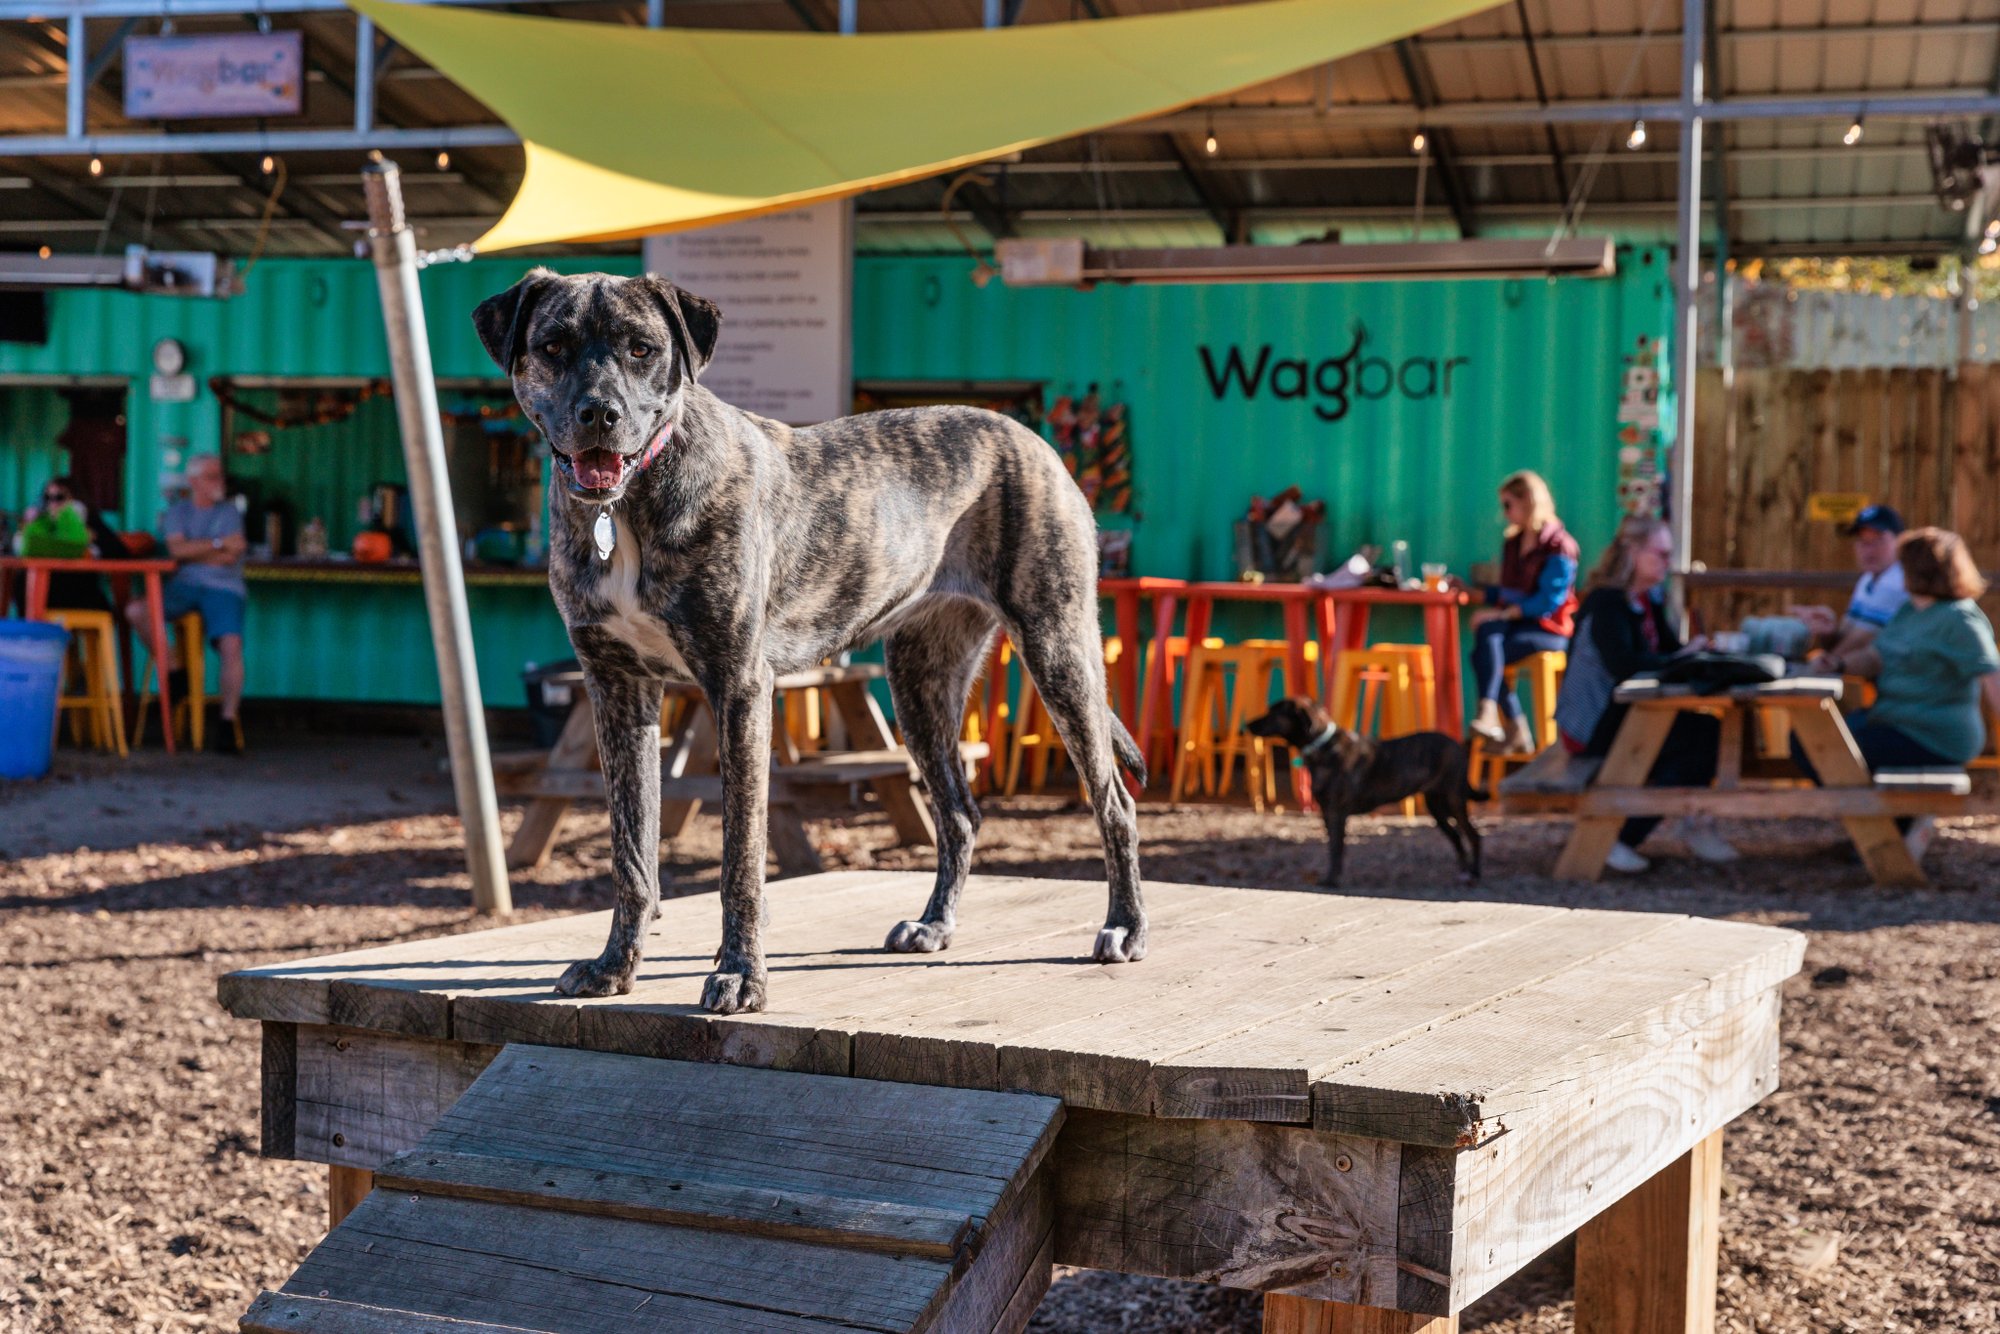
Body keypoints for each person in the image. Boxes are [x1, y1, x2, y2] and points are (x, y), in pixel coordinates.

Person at [1552, 516, 1738, 873]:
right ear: (1633, 552)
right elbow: (1626, 665)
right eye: (1661, 554)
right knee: (1699, 738)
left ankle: (1684, 819)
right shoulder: (1607, 602)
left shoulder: (1645, 599)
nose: (1667, 563)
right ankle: (1619, 835)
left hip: (1624, 713)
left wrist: (1692, 653)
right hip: (1593, 724)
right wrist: (1680, 658)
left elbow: (1667, 652)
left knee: (1704, 732)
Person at [1807, 527, 2000, 773]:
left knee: (1825, 746)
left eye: (1902, 566)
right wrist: (1838, 664)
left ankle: (1885, 810)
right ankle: (1887, 811)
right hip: (1891, 720)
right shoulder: (1909, 610)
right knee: (1811, 737)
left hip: (1933, 737)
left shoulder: (1959, 618)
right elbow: (1875, 656)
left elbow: (1993, 677)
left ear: (1920, 569)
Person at [127, 454, 247, 753]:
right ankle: (174, 669)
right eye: (211, 476)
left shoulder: (230, 512)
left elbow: (232, 554)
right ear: (193, 481)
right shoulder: (178, 512)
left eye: (220, 475)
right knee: (136, 610)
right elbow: (177, 549)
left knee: (231, 645)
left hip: (224, 587)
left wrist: (198, 551)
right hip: (184, 585)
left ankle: (227, 721)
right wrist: (217, 545)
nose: (219, 482)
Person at [1468, 470, 1579, 752]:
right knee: (1487, 636)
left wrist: (1503, 614)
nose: (1504, 514)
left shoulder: (1560, 546)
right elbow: (1514, 592)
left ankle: (1510, 722)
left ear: (1528, 501)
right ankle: (1497, 715)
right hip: (1518, 627)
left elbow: (1547, 603)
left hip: (1549, 631)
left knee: (1485, 651)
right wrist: (1481, 595)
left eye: (1508, 505)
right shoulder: (1514, 542)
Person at [1790, 504, 1908, 667]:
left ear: (1900, 541)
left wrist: (1824, 664)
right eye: (1862, 541)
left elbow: (1861, 640)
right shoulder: (1868, 579)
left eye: (1878, 540)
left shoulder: (1897, 582)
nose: (1869, 550)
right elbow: (1848, 636)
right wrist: (1829, 632)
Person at [11, 476, 123, 613]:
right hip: (40, 596)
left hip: (81, 596)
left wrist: (89, 540)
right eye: (47, 498)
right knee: (23, 581)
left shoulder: (91, 524)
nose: (53, 503)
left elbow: (120, 552)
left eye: (59, 498)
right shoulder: (42, 525)